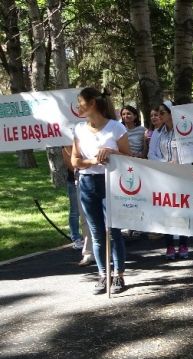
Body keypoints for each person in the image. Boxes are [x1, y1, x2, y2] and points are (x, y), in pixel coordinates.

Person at [70, 87, 130, 294]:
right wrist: (92, 161)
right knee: (96, 233)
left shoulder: (116, 127)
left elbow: (129, 158)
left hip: (110, 183)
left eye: (80, 102)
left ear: (92, 103)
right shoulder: (79, 129)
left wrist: (112, 152)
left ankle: (118, 275)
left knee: (112, 231)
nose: (78, 107)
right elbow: (75, 161)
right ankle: (104, 274)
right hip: (87, 183)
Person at [154, 101, 190, 259]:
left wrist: (180, 163)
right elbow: (154, 154)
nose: (159, 116)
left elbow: (191, 152)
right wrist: (165, 163)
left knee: (183, 210)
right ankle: (169, 246)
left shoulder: (183, 131)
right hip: (165, 176)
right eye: (158, 113)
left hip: (182, 176)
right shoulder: (159, 133)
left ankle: (183, 244)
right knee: (166, 209)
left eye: (162, 113)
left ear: (171, 113)